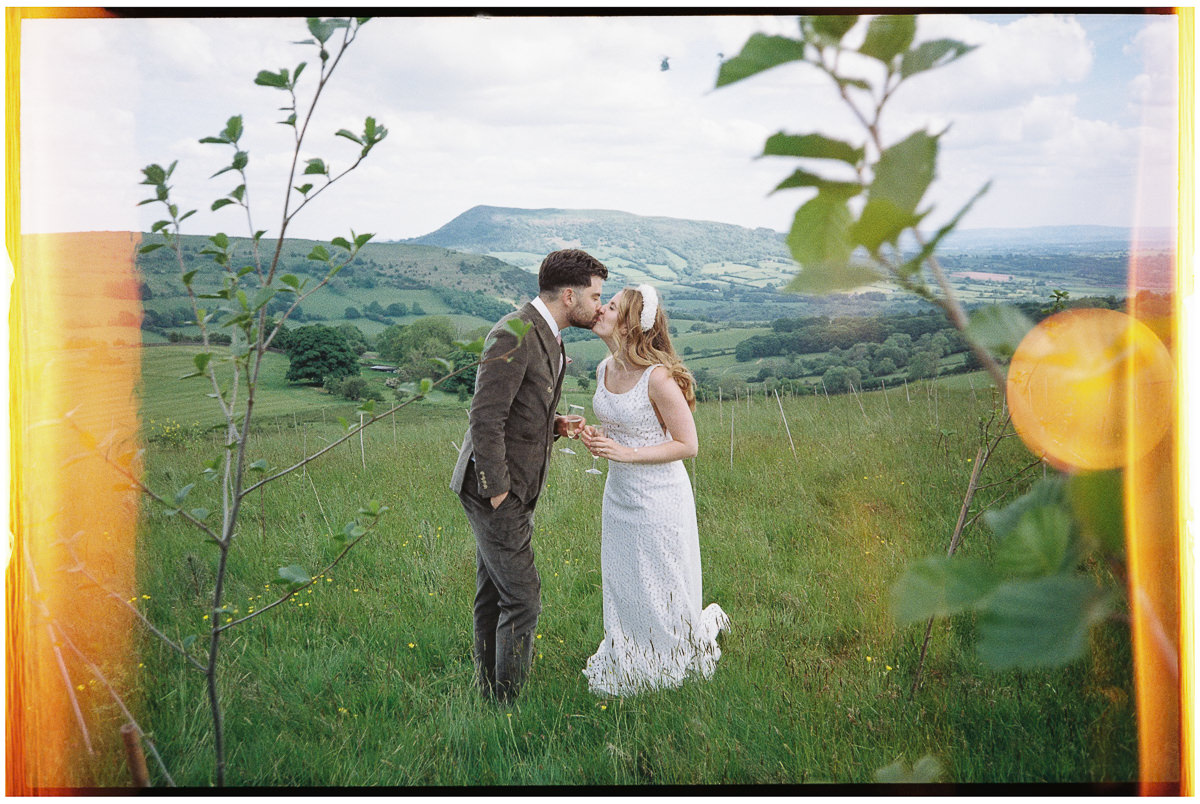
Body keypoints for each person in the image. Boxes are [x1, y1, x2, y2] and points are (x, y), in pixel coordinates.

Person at [450, 249, 607, 704]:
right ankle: (507, 704)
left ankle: (489, 693)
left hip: (515, 485)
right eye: (596, 296)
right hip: (495, 489)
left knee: (494, 594)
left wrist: (553, 423)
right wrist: (498, 492)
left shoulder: (548, 334)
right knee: (523, 598)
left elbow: (519, 404)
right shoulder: (513, 333)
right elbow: (485, 418)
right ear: (570, 294)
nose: (600, 306)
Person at [579, 284, 729, 696]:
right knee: (625, 578)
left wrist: (626, 454)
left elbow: (688, 444)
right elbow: (620, 428)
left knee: (660, 578)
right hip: (619, 495)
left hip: (659, 497)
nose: (600, 309)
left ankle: (668, 656)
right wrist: (594, 435)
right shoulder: (604, 369)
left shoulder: (658, 378)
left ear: (629, 326)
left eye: (610, 307)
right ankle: (629, 652)